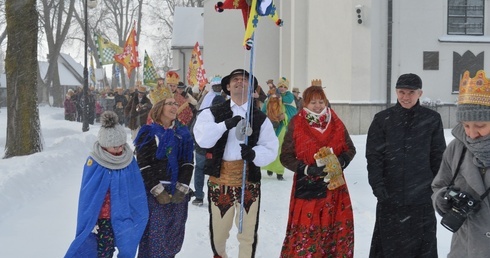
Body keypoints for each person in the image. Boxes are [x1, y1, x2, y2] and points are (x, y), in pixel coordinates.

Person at [193, 68, 279, 258]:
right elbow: (202, 140)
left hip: (248, 181)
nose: (240, 82)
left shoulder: (259, 118)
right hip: (220, 179)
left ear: (252, 88)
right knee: (219, 233)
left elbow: (271, 148)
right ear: (228, 87)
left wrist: (254, 153)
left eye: (245, 80)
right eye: (235, 80)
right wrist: (224, 125)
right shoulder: (213, 113)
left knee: (247, 234)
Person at [366, 73, 446, 258]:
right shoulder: (382, 119)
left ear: (420, 93)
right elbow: (374, 156)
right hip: (389, 195)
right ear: (396, 92)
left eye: (411, 92)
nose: (405, 97)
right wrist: (377, 185)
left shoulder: (431, 119)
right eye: (401, 92)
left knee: (422, 246)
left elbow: (438, 156)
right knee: (389, 245)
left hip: (421, 197)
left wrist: (435, 187)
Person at [279, 84, 356, 257]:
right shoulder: (297, 123)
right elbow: (286, 157)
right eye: (312, 102)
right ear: (305, 104)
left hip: (334, 188)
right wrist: (306, 169)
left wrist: (340, 161)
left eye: (321, 102)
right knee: (308, 231)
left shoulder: (335, 121)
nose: (318, 106)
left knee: (334, 230)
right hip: (307, 188)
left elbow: (350, 149)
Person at [65, 111, 148, 258]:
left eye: (122, 145)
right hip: (103, 217)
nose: (119, 150)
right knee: (104, 249)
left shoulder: (128, 160)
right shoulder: (95, 161)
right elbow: (89, 192)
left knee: (127, 243)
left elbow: (135, 188)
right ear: (105, 145)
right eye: (115, 147)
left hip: (124, 213)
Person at [432, 70, 490, 257]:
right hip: (465, 247)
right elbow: (438, 185)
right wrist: (444, 197)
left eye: (480, 126)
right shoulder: (456, 148)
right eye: (466, 125)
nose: (472, 134)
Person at [133, 98, 195, 257]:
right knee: (154, 236)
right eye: (170, 103)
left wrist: (182, 188)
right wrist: (157, 190)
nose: (175, 106)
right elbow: (143, 164)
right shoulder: (148, 132)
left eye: (176, 104)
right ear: (159, 108)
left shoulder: (183, 133)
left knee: (173, 236)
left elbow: (188, 162)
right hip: (153, 192)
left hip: (177, 192)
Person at [191, 76, 226, 206]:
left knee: (203, 169)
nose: (218, 88)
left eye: (219, 86)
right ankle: (207, 196)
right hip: (210, 142)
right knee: (211, 169)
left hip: (204, 140)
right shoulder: (217, 99)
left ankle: (202, 195)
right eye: (216, 86)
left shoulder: (206, 99)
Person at [262, 77, 297, 180]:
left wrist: (285, 116)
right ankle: (269, 167)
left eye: (284, 87)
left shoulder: (289, 99)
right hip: (270, 127)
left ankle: (279, 171)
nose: (282, 88)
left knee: (280, 149)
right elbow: (264, 109)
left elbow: (293, 113)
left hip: (282, 127)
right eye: (280, 86)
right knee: (269, 147)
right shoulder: (271, 96)